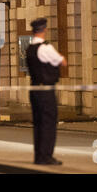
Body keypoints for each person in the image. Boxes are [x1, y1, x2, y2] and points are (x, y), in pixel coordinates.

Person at [26, 18, 67, 165]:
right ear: (45, 30)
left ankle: (39, 156)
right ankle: (46, 156)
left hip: (34, 89)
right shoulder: (46, 47)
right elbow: (62, 61)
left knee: (38, 123)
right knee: (49, 122)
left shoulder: (30, 48)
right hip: (46, 89)